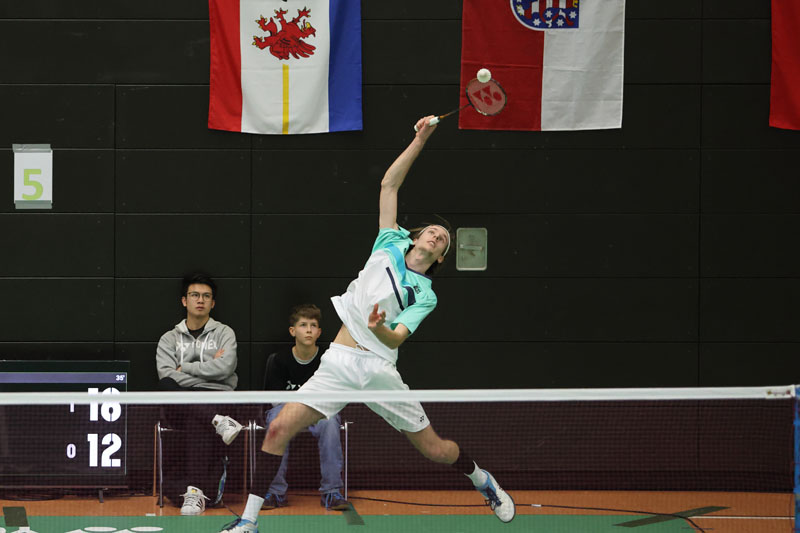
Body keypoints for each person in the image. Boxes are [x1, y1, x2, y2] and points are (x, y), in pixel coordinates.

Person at [221, 117, 515, 533]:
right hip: (340, 361)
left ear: (441, 257)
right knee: (278, 429)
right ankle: (249, 522)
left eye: (442, 239)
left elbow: (396, 337)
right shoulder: (389, 241)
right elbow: (389, 185)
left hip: (379, 369)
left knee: (434, 449)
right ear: (416, 236)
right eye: (432, 231)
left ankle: (482, 479)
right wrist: (420, 139)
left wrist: (378, 327)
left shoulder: (425, 294)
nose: (436, 235)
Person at [156, 273, 244, 516]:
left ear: (213, 303)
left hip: (218, 398)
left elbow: (226, 368)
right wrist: (209, 369)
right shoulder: (169, 339)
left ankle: (195, 493)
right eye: (195, 295)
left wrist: (185, 368)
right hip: (181, 401)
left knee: (195, 419)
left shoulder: (224, 333)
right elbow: (167, 374)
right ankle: (216, 421)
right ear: (184, 301)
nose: (200, 300)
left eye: (206, 296)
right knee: (165, 384)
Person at [260, 304, 348, 511]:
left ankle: (331, 492)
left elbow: (333, 396)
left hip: (318, 410)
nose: (308, 330)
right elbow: (274, 400)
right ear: (293, 331)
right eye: (303, 325)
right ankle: (275, 492)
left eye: (313, 325)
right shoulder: (279, 360)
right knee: (275, 421)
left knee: (330, 422)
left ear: (319, 332)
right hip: (286, 410)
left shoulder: (328, 360)